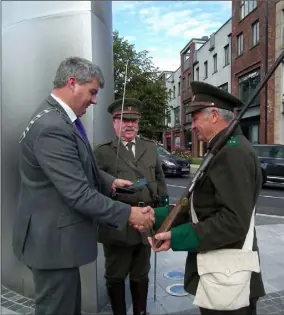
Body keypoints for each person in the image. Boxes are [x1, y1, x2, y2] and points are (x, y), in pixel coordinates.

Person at [12, 57, 154, 315]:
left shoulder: (57, 118)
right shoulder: (52, 127)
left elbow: (78, 165)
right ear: (72, 83)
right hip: (52, 245)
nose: (95, 100)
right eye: (92, 92)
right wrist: (129, 213)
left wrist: (109, 182)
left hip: (55, 241)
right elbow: (78, 193)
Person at [149, 81, 266, 315]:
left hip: (228, 278)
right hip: (221, 272)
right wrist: (155, 215)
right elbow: (202, 205)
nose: (192, 126)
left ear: (213, 115)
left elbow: (234, 222)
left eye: (195, 118)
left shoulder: (233, 153)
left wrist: (178, 236)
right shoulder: (222, 147)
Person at [93, 98, 168, 315]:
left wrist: (161, 222)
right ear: (114, 123)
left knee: (141, 272)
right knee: (116, 274)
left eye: (134, 120)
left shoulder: (150, 148)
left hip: (146, 221)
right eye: (123, 120)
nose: (129, 125)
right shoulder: (103, 152)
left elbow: (161, 185)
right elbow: (94, 187)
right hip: (118, 224)